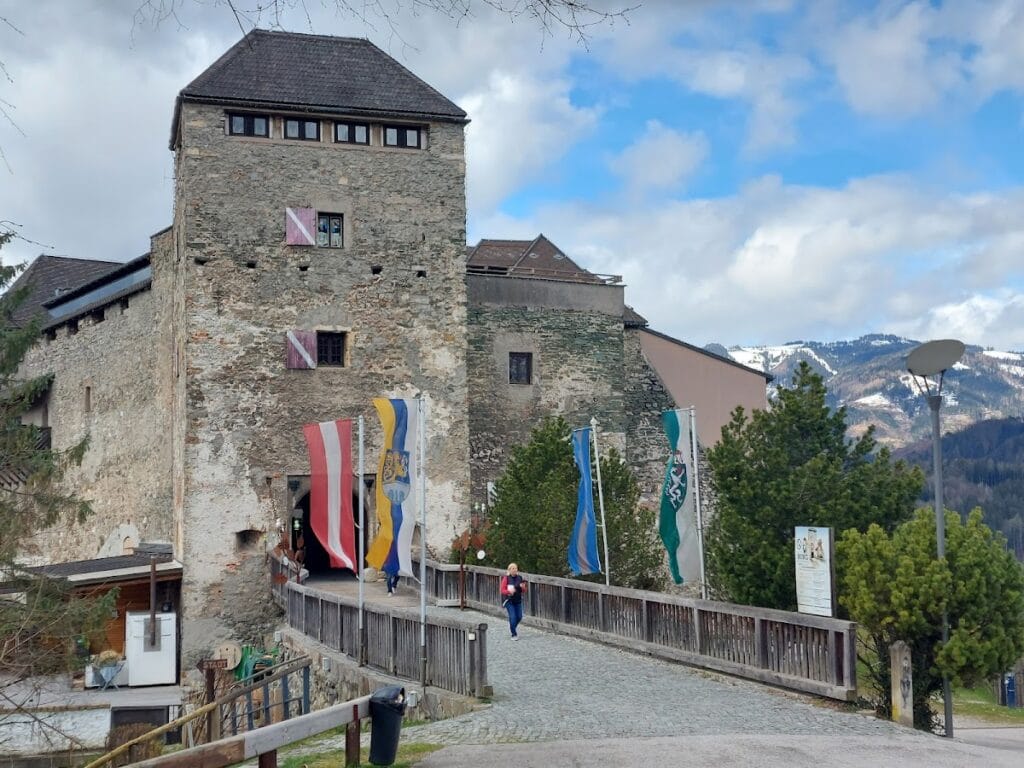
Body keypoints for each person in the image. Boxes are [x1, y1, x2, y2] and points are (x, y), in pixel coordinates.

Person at [499, 562, 527, 640]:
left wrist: (523, 587)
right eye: (513, 568)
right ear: (509, 570)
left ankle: (512, 626)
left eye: (515, 568)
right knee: (513, 617)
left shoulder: (520, 578)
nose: (514, 570)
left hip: (518, 600)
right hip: (509, 600)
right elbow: (502, 590)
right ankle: (514, 634)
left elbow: (523, 590)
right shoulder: (506, 578)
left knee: (519, 617)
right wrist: (509, 592)